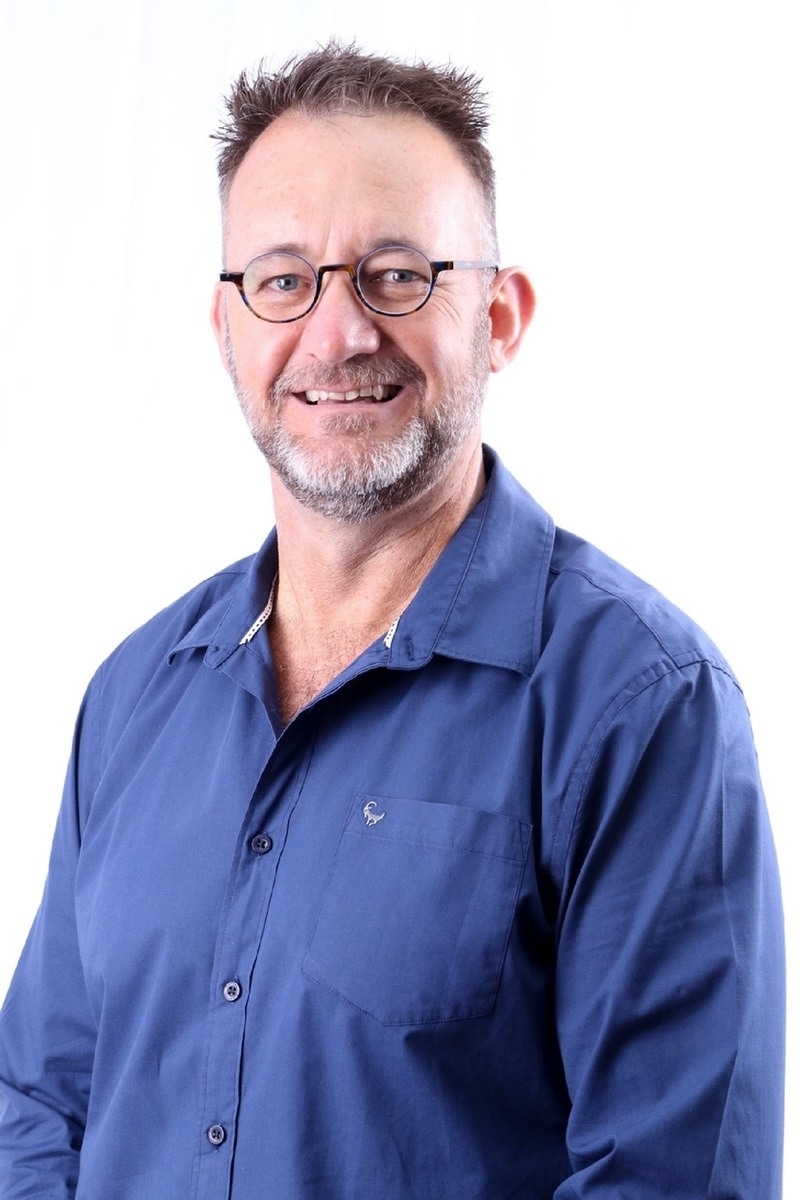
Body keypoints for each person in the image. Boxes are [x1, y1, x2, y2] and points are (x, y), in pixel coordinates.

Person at [0, 42, 785, 1200]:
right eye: (282, 280)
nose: (337, 333)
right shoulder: (133, 695)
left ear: (499, 317)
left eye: (396, 275)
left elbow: (668, 1178)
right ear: (225, 328)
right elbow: (40, 1104)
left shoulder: (642, 705)